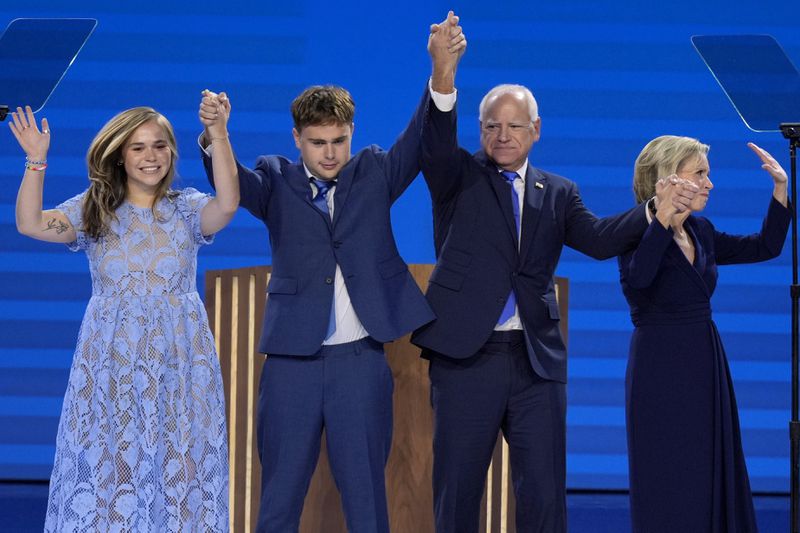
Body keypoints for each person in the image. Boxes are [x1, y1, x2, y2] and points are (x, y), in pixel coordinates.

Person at [411, 21, 699, 532]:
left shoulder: (559, 191)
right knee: (457, 496)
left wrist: (656, 206)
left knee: (544, 501)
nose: (503, 136)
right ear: (480, 132)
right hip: (465, 360)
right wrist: (443, 74)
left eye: (515, 126)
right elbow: (433, 141)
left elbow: (600, 240)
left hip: (536, 364)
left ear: (536, 130)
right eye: (492, 126)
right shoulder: (456, 175)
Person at [199, 14, 466, 533]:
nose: (329, 153)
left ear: (351, 136)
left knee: (367, 502)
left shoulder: (373, 171)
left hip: (360, 364)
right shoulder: (274, 179)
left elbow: (419, 136)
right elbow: (229, 183)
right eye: (318, 142)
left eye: (339, 141)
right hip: (290, 365)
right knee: (278, 499)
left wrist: (441, 72)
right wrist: (216, 134)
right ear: (297, 138)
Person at [11, 95, 238, 532]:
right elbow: (31, 224)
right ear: (119, 155)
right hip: (113, 365)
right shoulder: (94, 211)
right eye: (138, 147)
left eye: (159, 146)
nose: (150, 157)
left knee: (181, 472)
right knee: (115, 473)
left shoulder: (187, 209)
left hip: (180, 367)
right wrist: (36, 161)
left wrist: (219, 134)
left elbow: (227, 205)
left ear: (172, 152)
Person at [619, 136, 789, 532]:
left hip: (704, 361)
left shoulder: (702, 231)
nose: (709, 184)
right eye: (700, 174)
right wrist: (661, 220)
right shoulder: (632, 231)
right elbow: (639, 278)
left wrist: (780, 188)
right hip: (659, 367)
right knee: (667, 469)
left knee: (706, 464)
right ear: (669, 178)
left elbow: (765, 246)